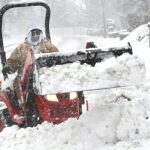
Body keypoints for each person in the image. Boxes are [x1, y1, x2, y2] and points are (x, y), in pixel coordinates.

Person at [2, 26, 59, 124]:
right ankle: (28, 111)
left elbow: (57, 55)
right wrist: (9, 67)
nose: (35, 35)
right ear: (29, 35)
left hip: (43, 76)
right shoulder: (21, 48)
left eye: (37, 33)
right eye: (33, 33)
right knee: (27, 90)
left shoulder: (46, 45)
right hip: (24, 78)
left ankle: (56, 110)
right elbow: (12, 62)